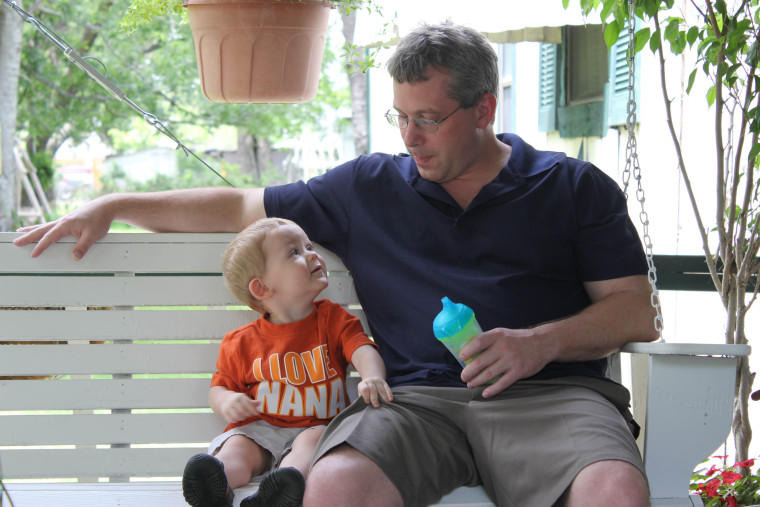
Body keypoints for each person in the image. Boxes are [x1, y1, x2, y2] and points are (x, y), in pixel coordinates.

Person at [15, 22, 658, 507]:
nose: (409, 138)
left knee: (614, 491)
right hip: (413, 404)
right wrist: (116, 204)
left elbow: (637, 310)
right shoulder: (369, 187)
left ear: (485, 109)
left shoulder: (573, 187)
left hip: (552, 397)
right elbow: (241, 203)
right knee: (335, 484)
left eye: (428, 119)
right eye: (400, 117)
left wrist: (539, 343)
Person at [181, 217, 393, 507]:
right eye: (294, 252)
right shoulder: (241, 342)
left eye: (308, 245)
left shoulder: (333, 319)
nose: (311, 254)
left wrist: (371, 376)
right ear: (263, 288)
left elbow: (362, 349)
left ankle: (279, 492)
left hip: (316, 426)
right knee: (238, 447)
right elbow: (218, 389)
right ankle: (216, 486)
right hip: (259, 428)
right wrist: (227, 401)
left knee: (310, 444)